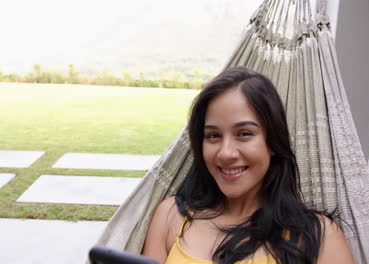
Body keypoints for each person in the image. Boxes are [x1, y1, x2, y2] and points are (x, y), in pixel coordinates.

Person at [142, 66, 354, 264]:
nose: (226, 153)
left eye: (244, 134)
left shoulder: (319, 237)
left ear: (272, 141)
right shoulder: (171, 217)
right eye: (213, 135)